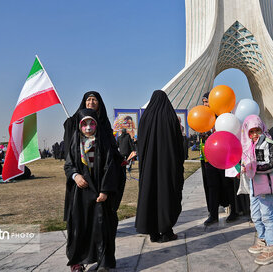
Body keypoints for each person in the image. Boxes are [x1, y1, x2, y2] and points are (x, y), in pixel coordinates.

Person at [64, 109, 122, 272]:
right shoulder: (75, 141)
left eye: (91, 123)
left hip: (99, 193)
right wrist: (75, 176)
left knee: (102, 227)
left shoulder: (102, 141)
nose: (88, 127)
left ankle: (103, 261)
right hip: (81, 193)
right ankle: (78, 262)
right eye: (84, 124)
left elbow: (109, 167)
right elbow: (68, 165)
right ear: (80, 125)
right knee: (79, 227)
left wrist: (105, 191)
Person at [63, 91, 126, 212]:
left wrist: (120, 160)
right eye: (88, 100)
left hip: (101, 171)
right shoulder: (75, 122)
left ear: (99, 103)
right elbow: (70, 151)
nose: (91, 102)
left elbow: (111, 147)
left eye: (94, 100)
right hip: (81, 171)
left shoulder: (104, 123)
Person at [135, 90, 184, 243]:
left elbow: (140, 144)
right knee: (167, 194)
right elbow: (178, 144)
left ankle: (153, 233)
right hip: (168, 167)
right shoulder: (170, 117)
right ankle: (167, 231)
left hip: (149, 168)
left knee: (150, 194)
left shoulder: (145, 118)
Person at [239, 115, 273, 265]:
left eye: (257, 130)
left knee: (267, 217)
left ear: (262, 129)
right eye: (251, 132)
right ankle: (262, 239)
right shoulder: (250, 145)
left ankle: (272, 249)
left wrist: (253, 168)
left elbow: (272, 164)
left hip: (265, 185)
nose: (254, 134)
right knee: (255, 215)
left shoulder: (269, 144)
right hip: (254, 184)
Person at [199, 92, 236, 225]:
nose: (205, 105)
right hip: (208, 158)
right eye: (203, 102)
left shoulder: (222, 117)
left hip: (223, 157)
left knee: (227, 184)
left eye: (207, 102)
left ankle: (234, 210)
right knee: (212, 186)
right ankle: (213, 214)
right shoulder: (202, 117)